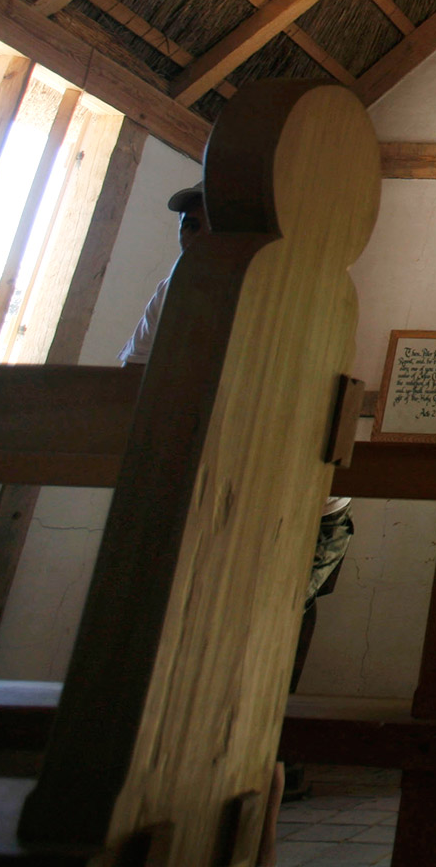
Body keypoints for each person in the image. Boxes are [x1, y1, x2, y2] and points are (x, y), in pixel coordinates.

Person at [121, 185, 352, 801]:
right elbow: (135, 377)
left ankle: (262, 750)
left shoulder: (297, 289)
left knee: (278, 615)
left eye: (209, 225)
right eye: (188, 227)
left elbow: (304, 397)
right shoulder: (176, 288)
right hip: (206, 477)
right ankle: (179, 748)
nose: (195, 238)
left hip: (295, 496)